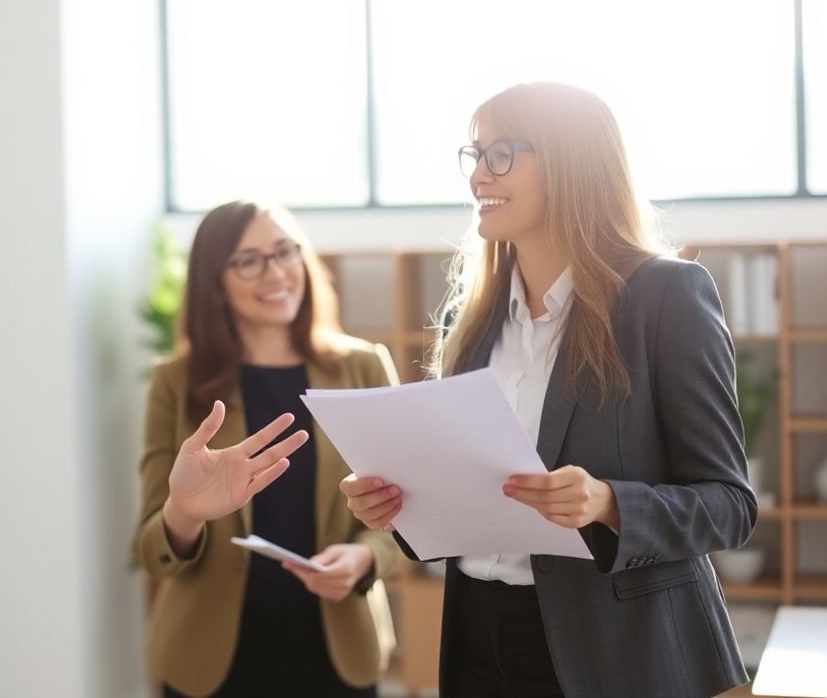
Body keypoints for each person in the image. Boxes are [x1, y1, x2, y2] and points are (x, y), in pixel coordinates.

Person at [340, 82, 757, 698]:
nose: (479, 175)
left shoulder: (666, 296)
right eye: (474, 155)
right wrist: (398, 507)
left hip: (619, 653)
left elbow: (730, 505)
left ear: (571, 163)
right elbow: (465, 499)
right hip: (480, 640)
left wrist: (608, 502)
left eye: (501, 154)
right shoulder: (474, 321)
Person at [134, 200, 403, 698]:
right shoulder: (176, 382)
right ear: (214, 282)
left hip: (337, 650)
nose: (275, 272)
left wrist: (364, 559)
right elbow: (151, 552)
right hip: (210, 660)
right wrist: (183, 514)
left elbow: (408, 514)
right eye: (249, 260)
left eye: (285, 252)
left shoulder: (363, 368)